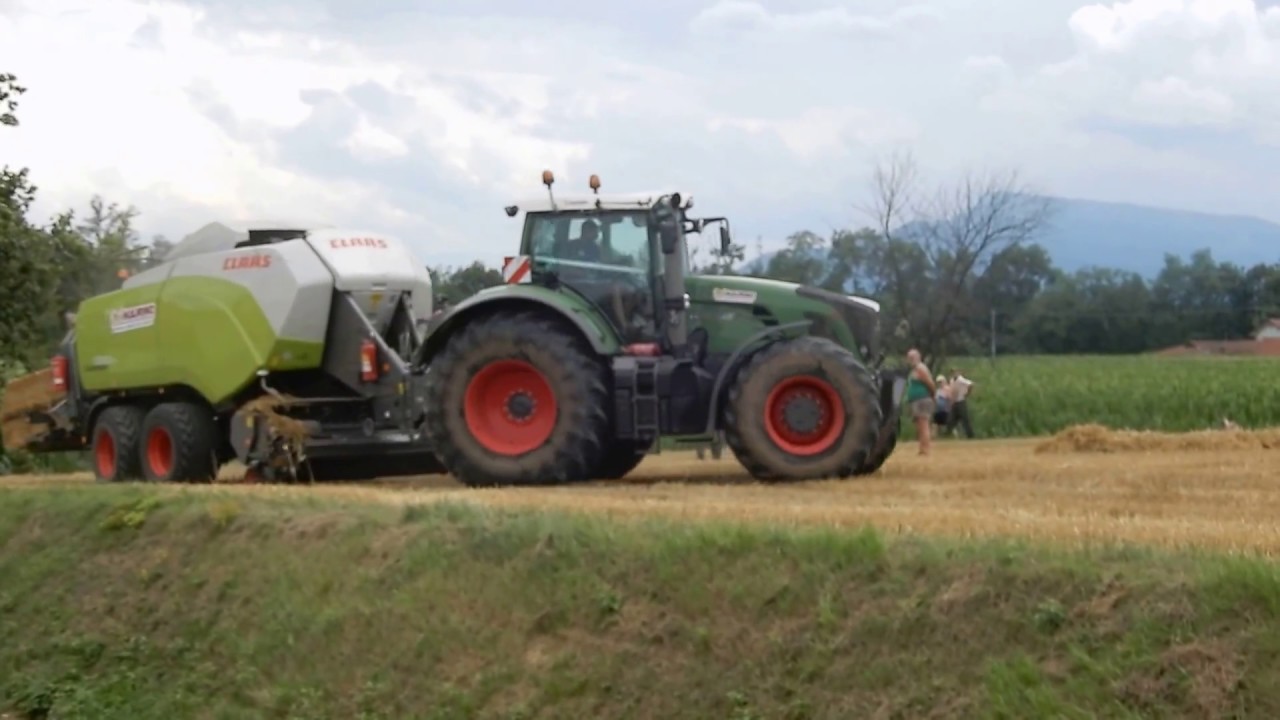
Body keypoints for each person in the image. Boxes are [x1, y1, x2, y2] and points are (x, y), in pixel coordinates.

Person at [903, 349, 936, 455]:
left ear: (918, 357)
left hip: (922, 399)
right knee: (919, 425)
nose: (910, 360)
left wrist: (933, 396)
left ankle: (926, 449)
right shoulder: (914, 370)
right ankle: (922, 448)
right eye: (909, 357)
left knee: (923, 424)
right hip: (916, 400)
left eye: (912, 357)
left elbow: (930, 383)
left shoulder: (921, 369)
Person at [945, 369, 975, 439]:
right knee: (951, 419)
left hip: (961, 401)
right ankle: (948, 434)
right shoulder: (952, 381)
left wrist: (967, 393)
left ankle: (970, 435)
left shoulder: (960, 379)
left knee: (965, 419)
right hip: (955, 402)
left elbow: (970, 384)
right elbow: (952, 391)